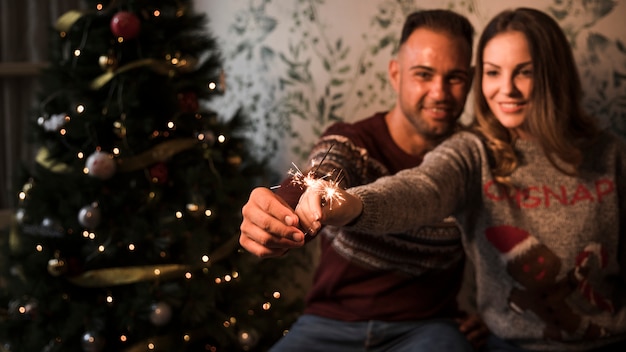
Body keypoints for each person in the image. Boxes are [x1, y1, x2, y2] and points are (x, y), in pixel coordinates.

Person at [296, 7, 626, 352]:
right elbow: (421, 189)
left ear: (554, 75)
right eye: (494, 72)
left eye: (524, 72)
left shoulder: (611, 156)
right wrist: (352, 204)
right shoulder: (474, 152)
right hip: (510, 346)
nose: (507, 89)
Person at [240, 9, 489, 352]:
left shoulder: (475, 160)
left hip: (429, 329)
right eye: (423, 74)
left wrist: (496, 316)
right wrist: (276, 209)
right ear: (395, 74)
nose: (439, 92)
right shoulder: (351, 144)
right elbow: (316, 178)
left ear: (473, 78)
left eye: (455, 77)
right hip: (330, 324)